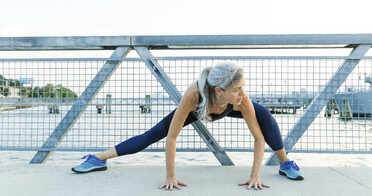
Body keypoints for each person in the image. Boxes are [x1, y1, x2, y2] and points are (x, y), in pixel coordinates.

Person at [72, 62, 304, 190]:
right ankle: (97, 158)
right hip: (201, 110)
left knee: (266, 118)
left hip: (228, 108)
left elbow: (258, 138)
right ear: (219, 91)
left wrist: (255, 176)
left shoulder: (241, 100)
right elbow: (171, 137)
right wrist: (171, 175)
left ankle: (285, 164)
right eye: (237, 89)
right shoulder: (194, 94)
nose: (243, 93)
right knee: (152, 134)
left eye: (243, 87)